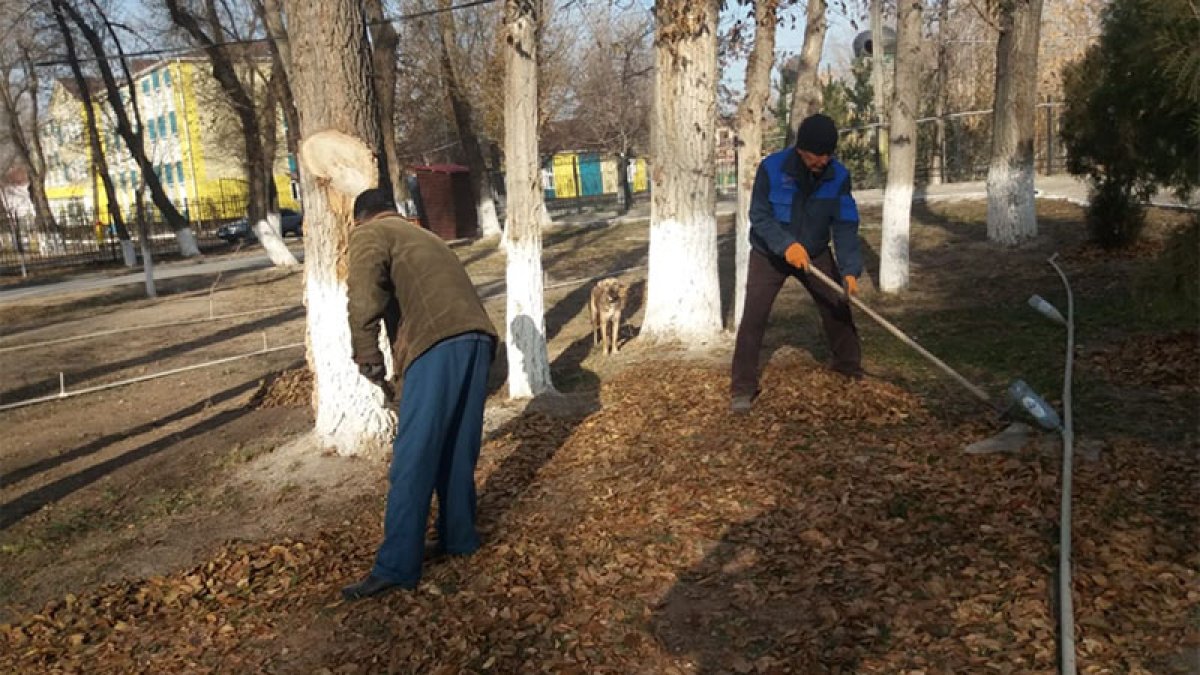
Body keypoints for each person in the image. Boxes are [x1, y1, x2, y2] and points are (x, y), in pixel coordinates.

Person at [341, 187, 498, 600]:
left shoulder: (370, 232)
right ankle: (458, 538)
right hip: (478, 339)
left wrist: (366, 352)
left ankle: (396, 566)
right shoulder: (424, 234)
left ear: (362, 216)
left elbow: (363, 293)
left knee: (414, 456)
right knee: (457, 450)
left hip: (436, 343)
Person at [730, 113, 864, 414]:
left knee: (837, 306)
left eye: (829, 154)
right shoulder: (772, 168)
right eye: (819, 155)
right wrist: (785, 245)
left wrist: (851, 270)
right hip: (769, 254)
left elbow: (845, 224)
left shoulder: (838, 176)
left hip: (815, 252)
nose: (824, 160)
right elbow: (760, 216)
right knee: (753, 317)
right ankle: (742, 388)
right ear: (802, 150)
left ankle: (849, 370)